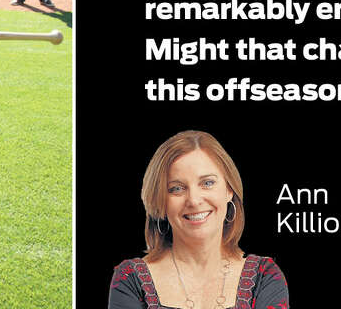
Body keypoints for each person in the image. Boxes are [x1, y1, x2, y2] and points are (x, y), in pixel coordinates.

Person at [108, 131, 289, 309]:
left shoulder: (265, 277)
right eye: (177, 188)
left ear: (229, 189)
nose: (194, 200)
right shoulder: (130, 280)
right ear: (160, 201)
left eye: (207, 183)